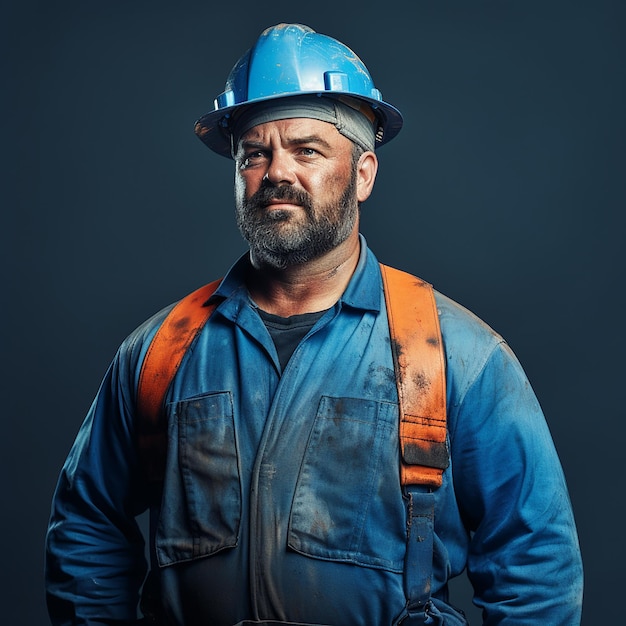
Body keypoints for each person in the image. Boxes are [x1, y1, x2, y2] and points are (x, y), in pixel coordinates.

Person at [45, 23, 583, 626]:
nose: (277, 172)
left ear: (362, 174)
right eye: (255, 153)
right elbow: (85, 524)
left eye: (306, 150)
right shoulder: (162, 351)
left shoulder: (452, 354)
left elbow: (535, 566)